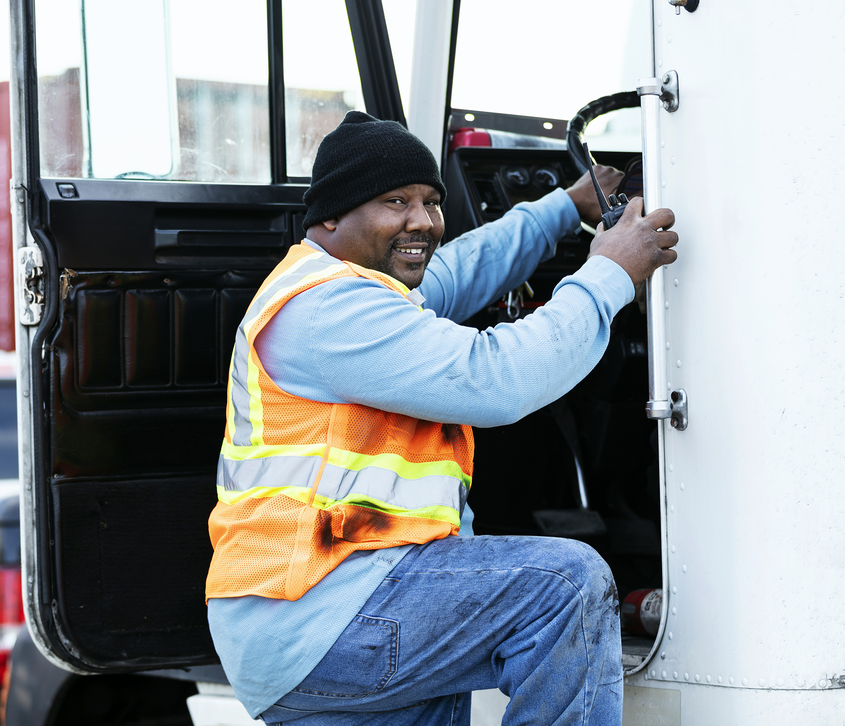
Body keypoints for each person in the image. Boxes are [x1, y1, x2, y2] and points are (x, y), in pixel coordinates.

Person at [205, 111, 678, 725]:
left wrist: (566, 205)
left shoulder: (354, 288)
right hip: (328, 607)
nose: (422, 222)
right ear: (330, 216)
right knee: (563, 590)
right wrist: (609, 272)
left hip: (318, 616)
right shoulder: (326, 309)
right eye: (395, 202)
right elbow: (496, 379)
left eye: (431, 201)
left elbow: (459, 268)